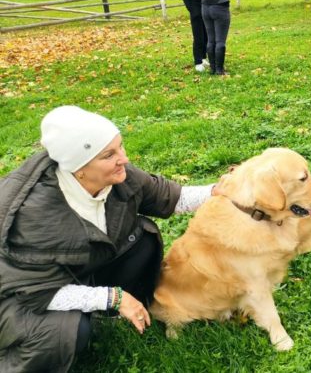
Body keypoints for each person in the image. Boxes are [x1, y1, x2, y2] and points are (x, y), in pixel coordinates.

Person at [0, 106, 219, 372]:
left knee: (142, 239)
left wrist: (223, 189)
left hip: (77, 269)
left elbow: (171, 198)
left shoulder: (116, 177)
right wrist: (112, 298)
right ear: (78, 168)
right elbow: (37, 292)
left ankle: (115, 311)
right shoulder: (36, 216)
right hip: (22, 294)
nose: (124, 158)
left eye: (121, 147)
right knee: (64, 332)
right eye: (109, 155)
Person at [198, 0, 234, 75]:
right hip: (220, 7)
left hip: (205, 8)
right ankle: (219, 69)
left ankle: (213, 68)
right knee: (220, 41)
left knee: (210, 40)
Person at [180, 0, 209, 72]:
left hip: (205, 5)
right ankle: (198, 61)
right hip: (195, 8)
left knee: (206, 34)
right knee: (198, 35)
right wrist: (192, 10)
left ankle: (204, 57)